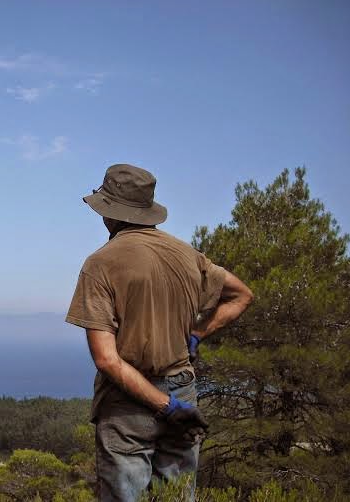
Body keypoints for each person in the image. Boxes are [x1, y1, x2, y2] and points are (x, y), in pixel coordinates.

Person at [65, 164, 253, 501]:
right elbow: (242, 295)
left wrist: (164, 406)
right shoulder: (188, 255)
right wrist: (196, 334)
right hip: (184, 387)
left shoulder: (101, 263)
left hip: (129, 401)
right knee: (177, 496)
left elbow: (108, 360)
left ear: (110, 212)